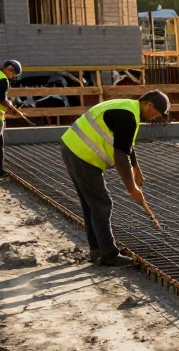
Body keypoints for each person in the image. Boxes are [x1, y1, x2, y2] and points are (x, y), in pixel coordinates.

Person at [60, 91, 170, 267]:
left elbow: (125, 144)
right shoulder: (129, 116)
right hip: (83, 154)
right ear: (149, 105)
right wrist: (132, 188)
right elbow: (120, 156)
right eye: (156, 113)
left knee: (91, 204)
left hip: (72, 147)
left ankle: (97, 249)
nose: (155, 118)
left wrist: (136, 168)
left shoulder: (127, 108)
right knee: (102, 204)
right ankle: (109, 255)